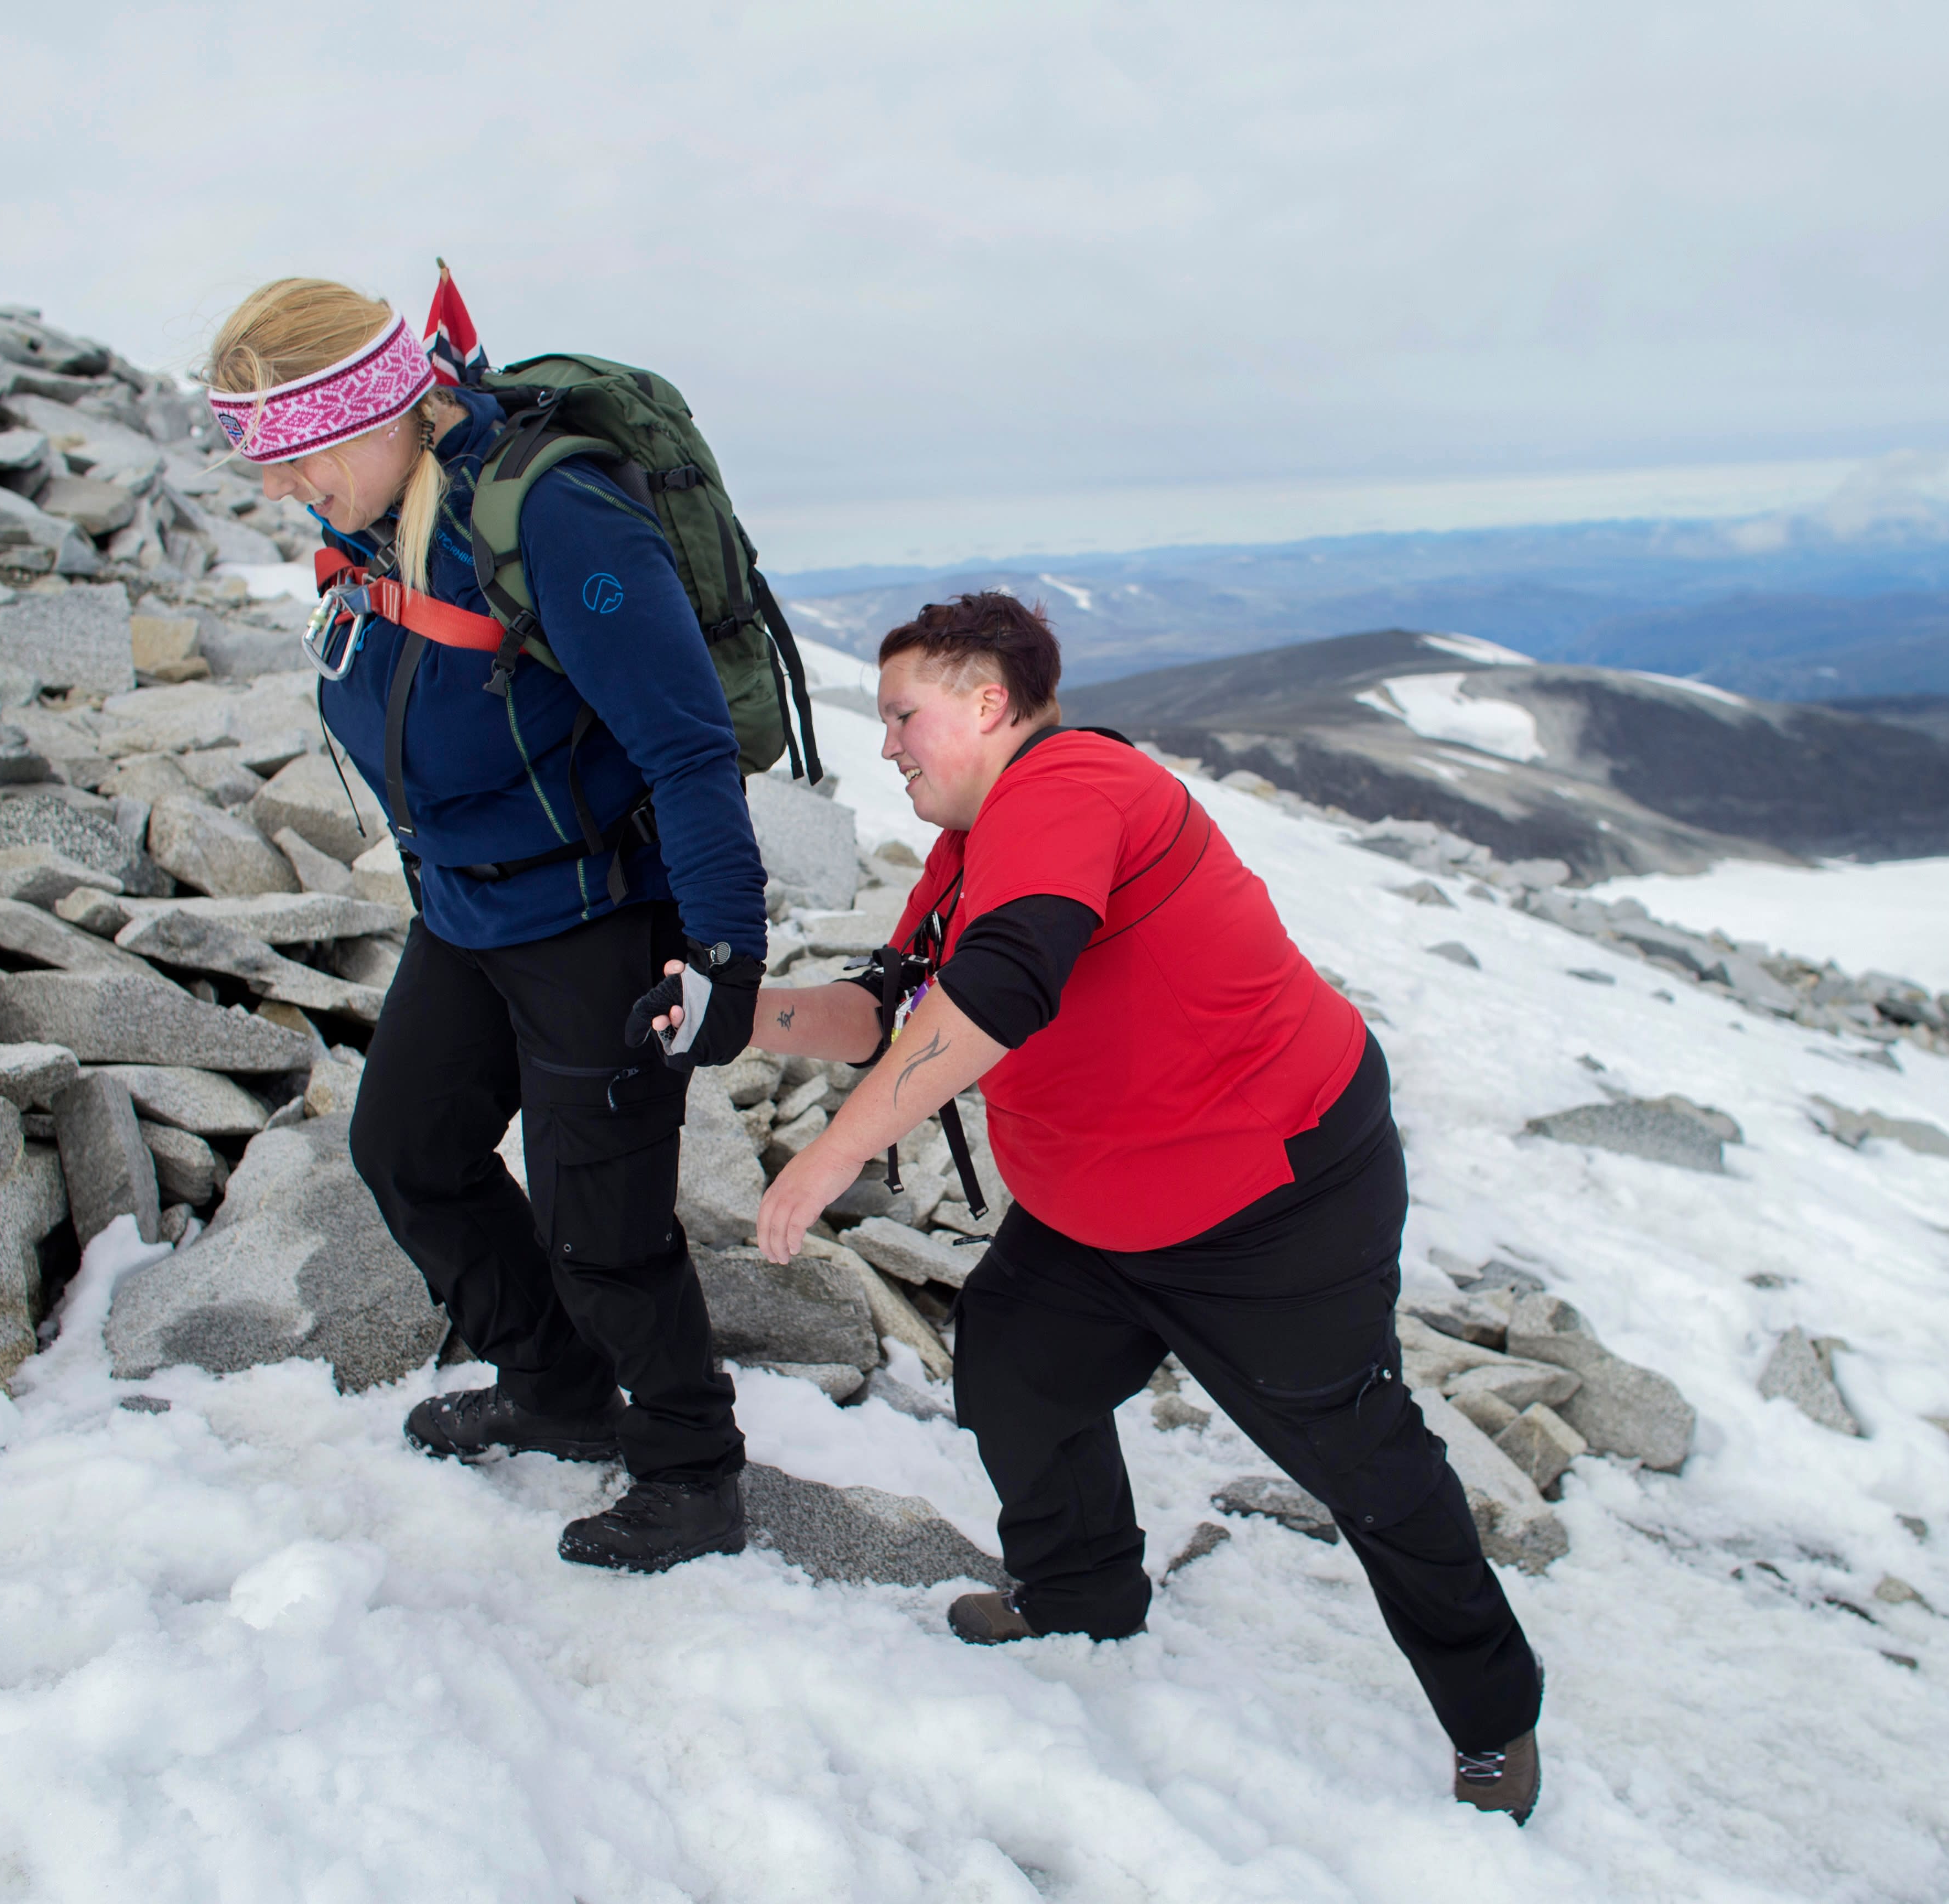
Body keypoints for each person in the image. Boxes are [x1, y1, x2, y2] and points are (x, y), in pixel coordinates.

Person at [655, 591, 1546, 1816]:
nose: (889, 744)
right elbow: (884, 1011)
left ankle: (1494, 1717)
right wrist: (727, 1018)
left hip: (1268, 1201)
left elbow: (1006, 985)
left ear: (990, 704)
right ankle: (1083, 1596)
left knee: (1358, 1454)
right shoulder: (967, 852)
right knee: (1015, 1372)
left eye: (905, 715)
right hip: (1099, 1203)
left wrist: (828, 1160)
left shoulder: (1077, 788)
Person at [204, 278, 770, 1573]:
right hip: (467, 905)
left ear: (373, 415)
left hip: (595, 914)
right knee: (409, 1150)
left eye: (298, 458)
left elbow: (688, 749)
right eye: (265, 465)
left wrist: (723, 953)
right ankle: (556, 1387)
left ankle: (691, 1470)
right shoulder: (381, 512)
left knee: (601, 1224)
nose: (285, 490)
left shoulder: (555, 516)